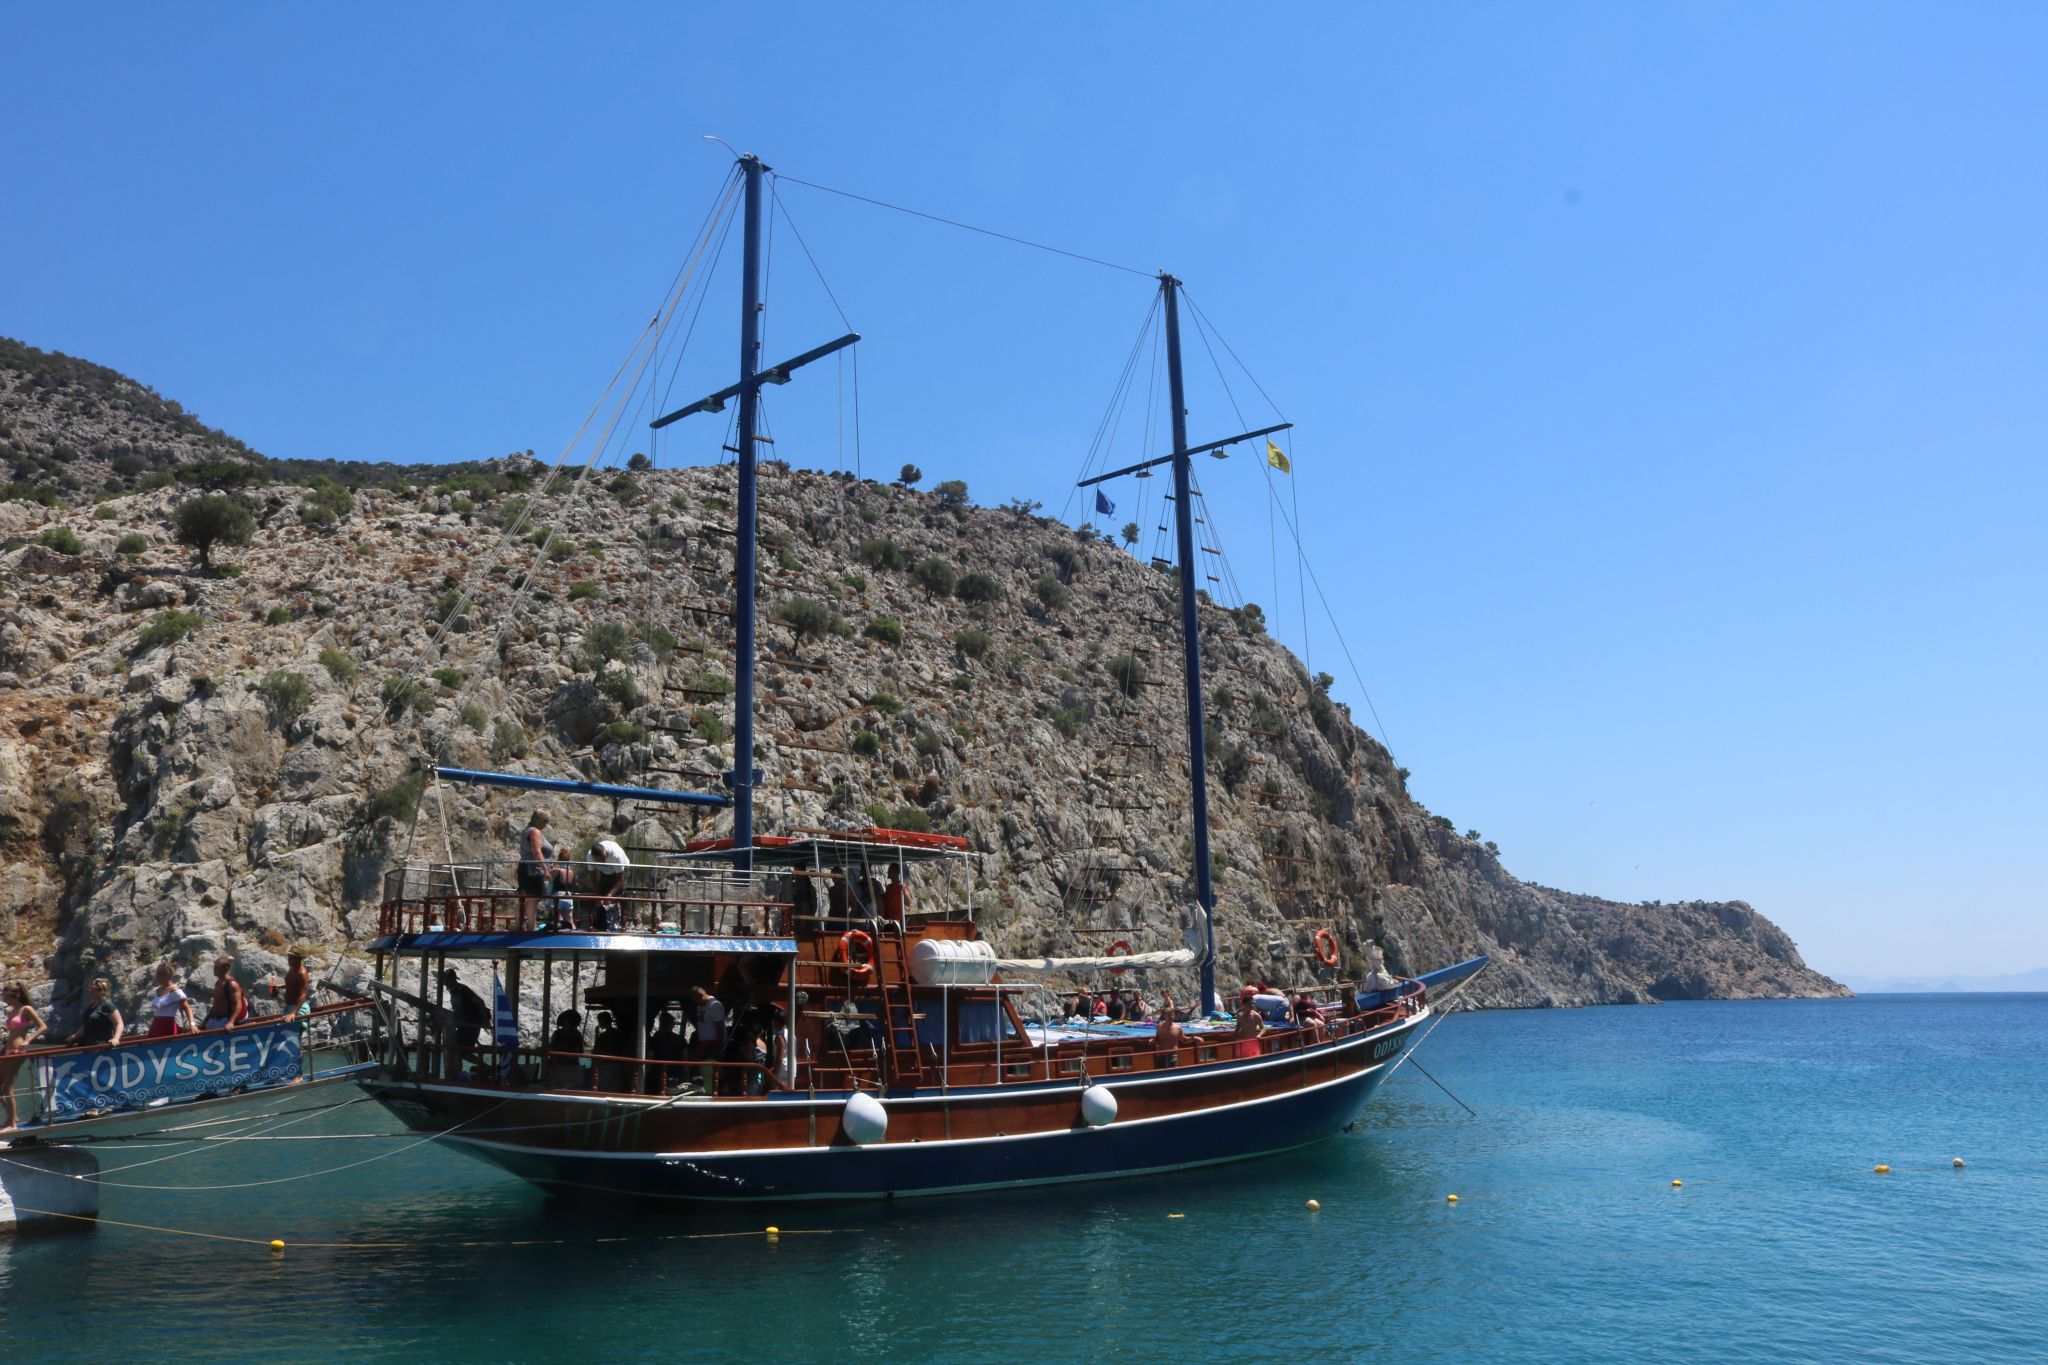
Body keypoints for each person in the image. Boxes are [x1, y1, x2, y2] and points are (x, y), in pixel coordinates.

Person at [0, 982, 48, 1133]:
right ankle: (13, 1118)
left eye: (5, 995)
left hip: (17, 1050)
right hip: (6, 1050)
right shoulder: (11, 1010)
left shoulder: (26, 1009)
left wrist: (28, 1040)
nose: (3, 997)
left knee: (8, 1087)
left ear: (15, 995)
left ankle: (12, 1124)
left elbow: (42, 1026)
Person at [439, 969, 489, 1076]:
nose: (444, 983)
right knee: (456, 1048)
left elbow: (480, 1002)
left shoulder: (463, 990)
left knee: (462, 1051)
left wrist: (485, 1020)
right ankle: (460, 1071)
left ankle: (484, 1067)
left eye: (446, 980)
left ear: (451, 979)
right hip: (464, 1025)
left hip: (472, 1025)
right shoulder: (453, 991)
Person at [516, 809, 559, 930]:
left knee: (525, 899)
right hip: (533, 870)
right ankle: (530, 928)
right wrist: (545, 869)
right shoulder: (535, 832)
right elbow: (536, 851)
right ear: (539, 821)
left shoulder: (527, 830)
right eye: (545, 821)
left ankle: (519, 925)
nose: (546, 824)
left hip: (526, 868)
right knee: (532, 899)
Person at [688, 985, 726, 1093]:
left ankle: (701, 1087)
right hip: (703, 1042)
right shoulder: (700, 1005)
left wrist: (719, 1048)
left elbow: (720, 1028)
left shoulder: (714, 1005)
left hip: (712, 1043)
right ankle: (698, 1086)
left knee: (693, 1060)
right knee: (695, 1063)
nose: (695, 1003)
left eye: (696, 1000)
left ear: (702, 996)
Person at [67, 978, 125, 1047]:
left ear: (101, 991)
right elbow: (87, 1024)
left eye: (93, 991)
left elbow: (119, 1023)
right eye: (90, 991)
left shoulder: (107, 1005)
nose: (90, 993)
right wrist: (75, 1036)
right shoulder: (92, 1005)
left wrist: (116, 1038)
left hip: (101, 1045)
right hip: (87, 1044)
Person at [590, 836, 630, 930]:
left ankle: (619, 925)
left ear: (606, 852)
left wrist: (610, 895)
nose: (603, 861)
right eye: (600, 860)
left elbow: (620, 880)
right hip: (605, 873)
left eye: (604, 858)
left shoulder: (616, 856)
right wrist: (598, 895)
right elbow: (593, 877)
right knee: (601, 898)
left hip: (622, 871)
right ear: (594, 858)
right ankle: (601, 926)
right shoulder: (590, 857)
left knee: (617, 896)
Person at [147, 963, 194, 1037]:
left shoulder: (174, 989)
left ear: (168, 975)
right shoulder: (158, 990)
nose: (158, 977)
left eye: (161, 974)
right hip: (157, 1025)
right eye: (158, 974)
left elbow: (187, 1007)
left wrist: (192, 1024)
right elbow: (158, 1012)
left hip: (169, 1024)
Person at [202, 955, 247, 1031]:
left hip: (224, 1021)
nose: (214, 969)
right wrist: (206, 1020)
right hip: (214, 1020)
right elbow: (216, 1004)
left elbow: (238, 1004)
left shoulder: (231, 984)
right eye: (215, 966)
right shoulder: (218, 983)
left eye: (217, 967)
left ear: (226, 968)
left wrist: (231, 1022)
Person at [545, 1010, 587, 1089]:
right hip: (557, 1063)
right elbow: (551, 1047)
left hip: (571, 1063)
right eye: (566, 1021)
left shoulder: (577, 1034)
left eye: (570, 1022)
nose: (568, 1024)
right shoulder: (557, 1033)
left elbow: (581, 1050)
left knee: (570, 1084)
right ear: (563, 1022)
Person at [647, 1011, 687, 1092]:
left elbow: (649, 1060)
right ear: (672, 1024)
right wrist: (687, 1077)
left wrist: (645, 1075)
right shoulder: (681, 1040)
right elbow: (685, 1061)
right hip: (675, 1076)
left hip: (656, 1077)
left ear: (661, 1024)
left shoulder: (655, 1039)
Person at [591, 1011, 629, 1092]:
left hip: (606, 1064)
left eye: (599, 1021)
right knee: (615, 1088)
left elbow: (596, 1049)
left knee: (604, 1087)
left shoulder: (604, 1035)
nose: (599, 1023)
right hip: (617, 1064)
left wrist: (596, 1035)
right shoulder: (618, 1033)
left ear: (603, 1021)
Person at [1233, 986, 1266, 1059]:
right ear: (1244, 1005)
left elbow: (1263, 1028)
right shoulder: (1240, 1016)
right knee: (1240, 1061)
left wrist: (1259, 1035)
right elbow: (1237, 1030)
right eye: (1249, 1004)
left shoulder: (1256, 1016)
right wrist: (1235, 1040)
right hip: (1242, 1042)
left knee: (1255, 1060)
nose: (1252, 1005)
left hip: (1253, 1042)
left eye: (1253, 1003)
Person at [279, 949, 312, 1019]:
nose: (288, 959)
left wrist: (293, 1013)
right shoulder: (292, 970)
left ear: (297, 959)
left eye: (291, 958)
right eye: (288, 957)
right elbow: (292, 985)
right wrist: (278, 986)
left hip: (298, 1008)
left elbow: (303, 995)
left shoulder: (302, 973)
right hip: (289, 1007)